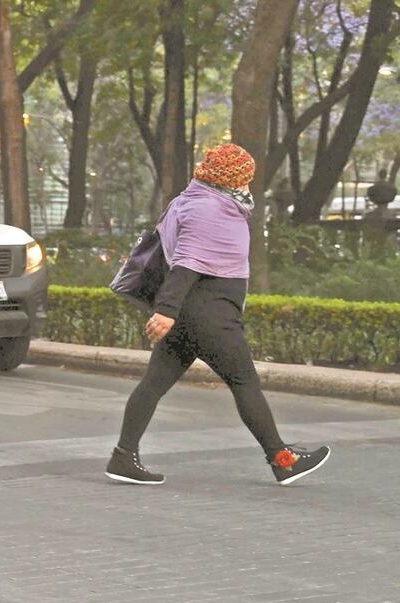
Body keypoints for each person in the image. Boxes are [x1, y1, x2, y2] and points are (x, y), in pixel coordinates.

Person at [105, 143, 330, 487]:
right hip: (210, 314)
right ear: (232, 178)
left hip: (189, 314)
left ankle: (123, 456)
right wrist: (165, 311)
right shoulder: (209, 208)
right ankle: (282, 460)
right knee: (244, 383)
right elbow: (188, 261)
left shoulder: (194, 200)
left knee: (153, 385)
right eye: (244, 177)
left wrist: (171, 312)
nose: (247, 183)